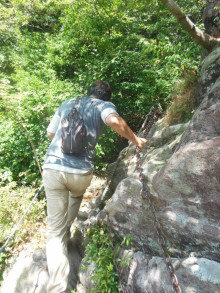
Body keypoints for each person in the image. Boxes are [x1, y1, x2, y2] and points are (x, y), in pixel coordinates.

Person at [42, 80, 147, 293]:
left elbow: (50, 134)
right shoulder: (103, 106)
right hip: (80, 173)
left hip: (53, 168)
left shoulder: (68, 102)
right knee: (73, 201)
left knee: (54, 231)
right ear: (106, 97)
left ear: (88, 92)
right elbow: (113, 121)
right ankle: (67, 236)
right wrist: (136, 140)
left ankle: (57, 287)